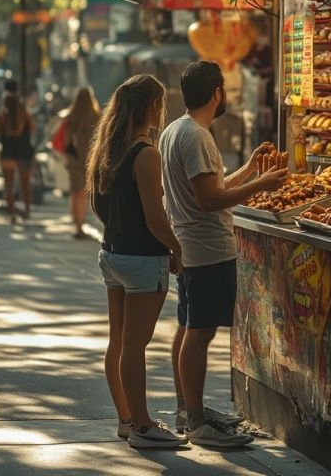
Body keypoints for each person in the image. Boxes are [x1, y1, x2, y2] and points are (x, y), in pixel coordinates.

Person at [159, 60, 288, 448]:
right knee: (198, 333)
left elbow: (211, 188)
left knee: (189, 328)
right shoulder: (195, 136)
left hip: (193, 246)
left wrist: (249, 170)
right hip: (205, 248)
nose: (226, 95)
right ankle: (196, 420)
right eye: (224, 89)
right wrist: (262, 183)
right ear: (216, 92)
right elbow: (208, 199)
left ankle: (189, 410)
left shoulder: (176, 130)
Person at [86, 74, 186, 450]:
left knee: (118, 339)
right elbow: (155, 217)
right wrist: (177, 249)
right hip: (142, 260)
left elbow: (98, 206)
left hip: (111, 254)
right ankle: (143, 425)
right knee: (135, 344)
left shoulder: (108, 148)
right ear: (151, 107)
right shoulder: (146, 152)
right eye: (161, 103)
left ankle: (126, 419)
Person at [63, 87, 100, 238]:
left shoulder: (71, 116)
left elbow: (65, 140)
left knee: (74, 193)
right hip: (89, 159)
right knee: (84, 194)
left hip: (74, 159)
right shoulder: (96, 116)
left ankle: (77, 225)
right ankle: (80, 225)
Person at [0, 85, 35, 223]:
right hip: (24, 151)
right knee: (25, 184)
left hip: (7, 151)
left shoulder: (2, 114)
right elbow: (32, 129)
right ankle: (27, 212)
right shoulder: (24, 112)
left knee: (9, 185)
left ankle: (12, 213)